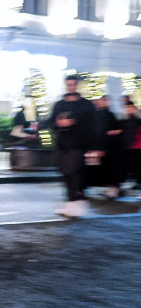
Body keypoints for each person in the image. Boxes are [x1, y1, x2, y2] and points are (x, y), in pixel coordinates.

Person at [43, 75, 102, 217]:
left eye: (73, 84)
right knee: (65, 172)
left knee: (74, 172)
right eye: (69, 84)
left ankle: (78, 200)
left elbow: (94, 126)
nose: (71, 87)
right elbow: (51, 122)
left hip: (78, 144)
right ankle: (71, 201)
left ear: (77, 85)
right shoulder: (59, 104)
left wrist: (95, 147)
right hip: (62, 144)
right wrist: (58, 123)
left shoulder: (86, 105)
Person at [89, 95, 123, 199]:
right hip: (105, 146)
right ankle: (110, 188)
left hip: (109, 146)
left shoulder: (107, 115)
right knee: (106, 168)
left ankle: (111, 189)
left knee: (109, 168)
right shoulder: (101, 115)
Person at [121, 98, 141, 195]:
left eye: (129, 107)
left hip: (138, 144)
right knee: (133, 165)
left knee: (138, 164)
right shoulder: (125, 118)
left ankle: (138, 182)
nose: (128, 109)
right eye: (126, 107)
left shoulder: (137, 117)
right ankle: (136, 181)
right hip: (130, 145)